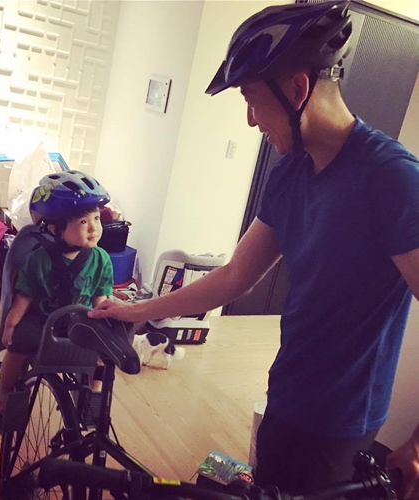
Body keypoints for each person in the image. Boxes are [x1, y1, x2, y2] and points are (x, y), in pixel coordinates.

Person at [88, 2, 419, 497]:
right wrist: (135, 311)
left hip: (339, 423)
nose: (250, 120)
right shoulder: (291, 172)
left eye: (251, 99)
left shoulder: (393, 180)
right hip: (284, 396)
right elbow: (234, 277)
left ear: (298, 89)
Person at [0, 171, 113, 414]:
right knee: (18, 347)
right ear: (54, 229)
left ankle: (94, 392)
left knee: (104, 350)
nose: (94, 228)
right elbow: (24, 297)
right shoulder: (38, 260)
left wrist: (108, 321)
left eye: (96, 218)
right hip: (42, 318)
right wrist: (10, 325)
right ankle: (4, 392)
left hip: (81, 317)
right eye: (83, 222)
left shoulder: (101, 259)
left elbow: (100, 297)